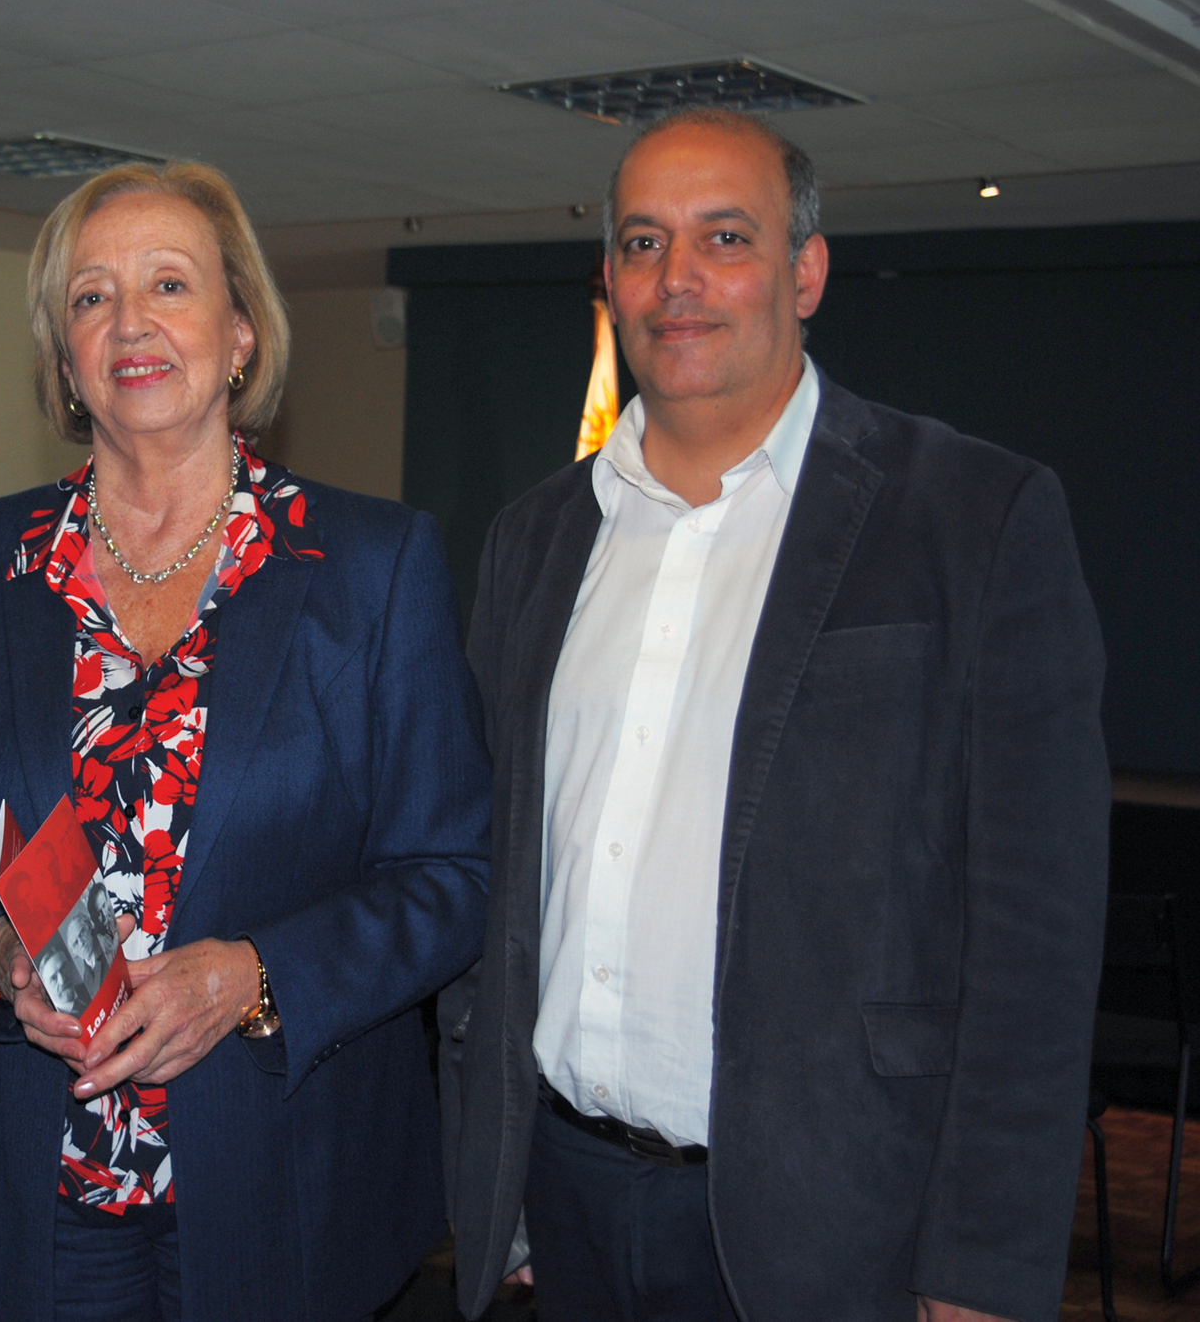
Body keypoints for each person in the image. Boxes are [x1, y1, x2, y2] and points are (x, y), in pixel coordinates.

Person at [443, 107, 1108, 1322]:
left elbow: (1035, 943)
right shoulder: (533, 540)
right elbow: (487, 882)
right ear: (608, 279)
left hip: (840, 1223)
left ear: (805, 272)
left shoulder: (972, 517)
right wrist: (500, 1187)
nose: (677, 279)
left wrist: (977, 1268)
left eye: (724, 238)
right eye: (642, 242)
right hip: (567, 1198)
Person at [0, 160, 491, 1322]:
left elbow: (448, 877)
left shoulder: (373, 566)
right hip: (34, 1186)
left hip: (289, 1176)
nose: (129, 323)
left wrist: (255, 976)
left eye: (169, 285)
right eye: (91, 297)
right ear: (62, 355)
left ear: (241, 332)